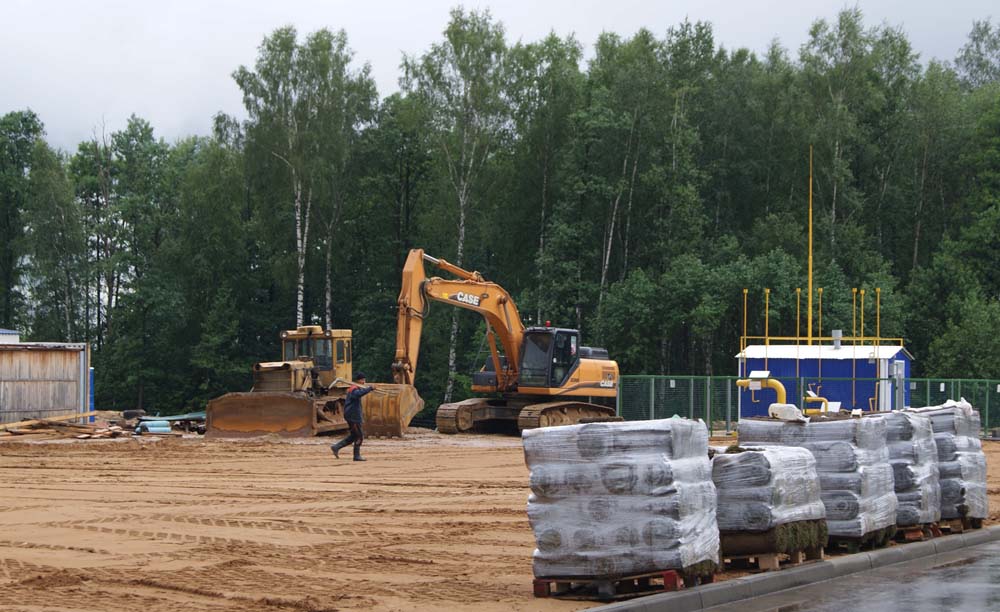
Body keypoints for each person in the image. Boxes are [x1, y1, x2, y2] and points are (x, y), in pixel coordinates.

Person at [331, 372, 376, 461]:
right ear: (359, 380)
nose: (364, 382)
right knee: (359, 436)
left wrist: (369, 389)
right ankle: (356, 456)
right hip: (353, 416)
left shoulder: (356, 388)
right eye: (363, 380)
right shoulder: (354, 389)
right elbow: (357, 394)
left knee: (354, 435)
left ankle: (336, 447)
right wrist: (370, 388)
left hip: (353, 415)